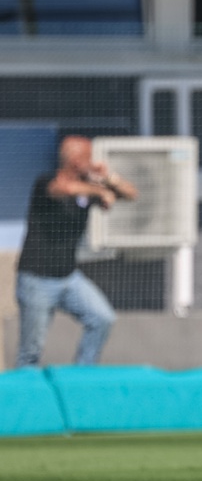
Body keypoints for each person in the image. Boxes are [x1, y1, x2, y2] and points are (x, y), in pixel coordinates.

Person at [15, 135, 138, 367]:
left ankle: (82, 372)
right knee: (31, 352)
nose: (92, 161)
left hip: (68, 278)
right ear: (74, 160)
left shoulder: (88, 190)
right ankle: (25, 396)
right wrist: (98, 190)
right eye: (87, 157)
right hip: (37, 280)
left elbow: (131, 194)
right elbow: (63, 188)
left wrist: (107, 178)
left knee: (102, 318)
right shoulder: (47, 182)